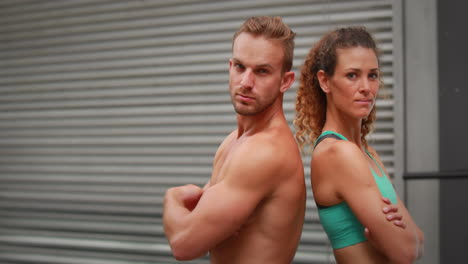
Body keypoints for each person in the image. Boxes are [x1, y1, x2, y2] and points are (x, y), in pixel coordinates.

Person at [163, 16, 306, 263]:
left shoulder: (265, 151)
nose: (246, 82)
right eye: (240, 67)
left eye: (262, 71)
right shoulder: (234, 142)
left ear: (285, 81)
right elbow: (200, 213)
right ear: (230, 66)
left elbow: (183, 243)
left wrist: (171, 197)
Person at [294, 27, 424, 263]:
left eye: (372, 75)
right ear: (325, 81)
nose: (366, 87)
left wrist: (403, 237)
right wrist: (403, 235)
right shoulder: (337, 153)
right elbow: (406, 252)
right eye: (352, 75)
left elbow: (420, 241)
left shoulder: (366, 153)